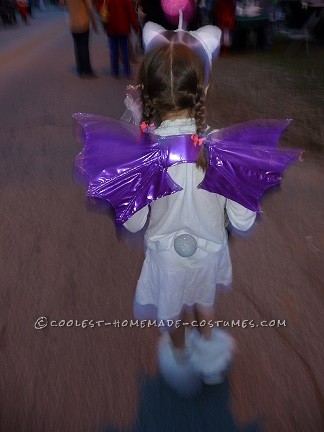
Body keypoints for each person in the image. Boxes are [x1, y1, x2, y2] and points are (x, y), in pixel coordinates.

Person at [74, 21, 301, 396]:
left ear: (146, 91)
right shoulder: (224, 153)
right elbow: (243, 217)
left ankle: (180, 363)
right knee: (202, 299)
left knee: (174, 311)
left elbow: (133, 225)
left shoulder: (141, 161)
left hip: (166, 259)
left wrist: (135, 139)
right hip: (210, 253)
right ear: (204, 89)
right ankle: (211, 363)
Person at [101, 0, 140, 78]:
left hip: (111, 28)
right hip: (123, 28)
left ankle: (115, 72)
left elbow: (103, 10)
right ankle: (127, 71)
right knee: (124, 50)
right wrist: (136, 27)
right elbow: (131, 13)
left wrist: (105, 26)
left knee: (114, 50)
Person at [63, 0, 98, 78]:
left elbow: (62, 4)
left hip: (73, 24)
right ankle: (88, 71)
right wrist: (94, 22)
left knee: (77, 47)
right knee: (84, 47)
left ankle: (80, 70)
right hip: (83, 22)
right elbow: (89, 8)